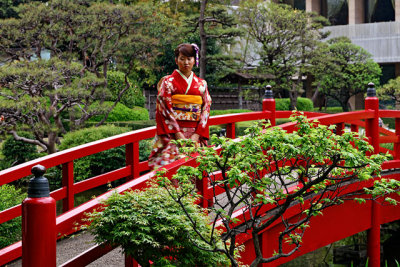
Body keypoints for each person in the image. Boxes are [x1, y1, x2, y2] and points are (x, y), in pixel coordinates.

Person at [148, 43, 211, 170]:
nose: (186, 62)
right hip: (172, 133)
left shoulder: (202, 84)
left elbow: (206, 109)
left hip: (194, 134)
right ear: (176, 60)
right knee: (171, 171)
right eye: (182, 59)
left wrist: (197, 135)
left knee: (195, 172)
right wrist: (178, 134)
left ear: (195, 60)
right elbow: (164, 108)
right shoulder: (168, 82)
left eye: (189, 58)